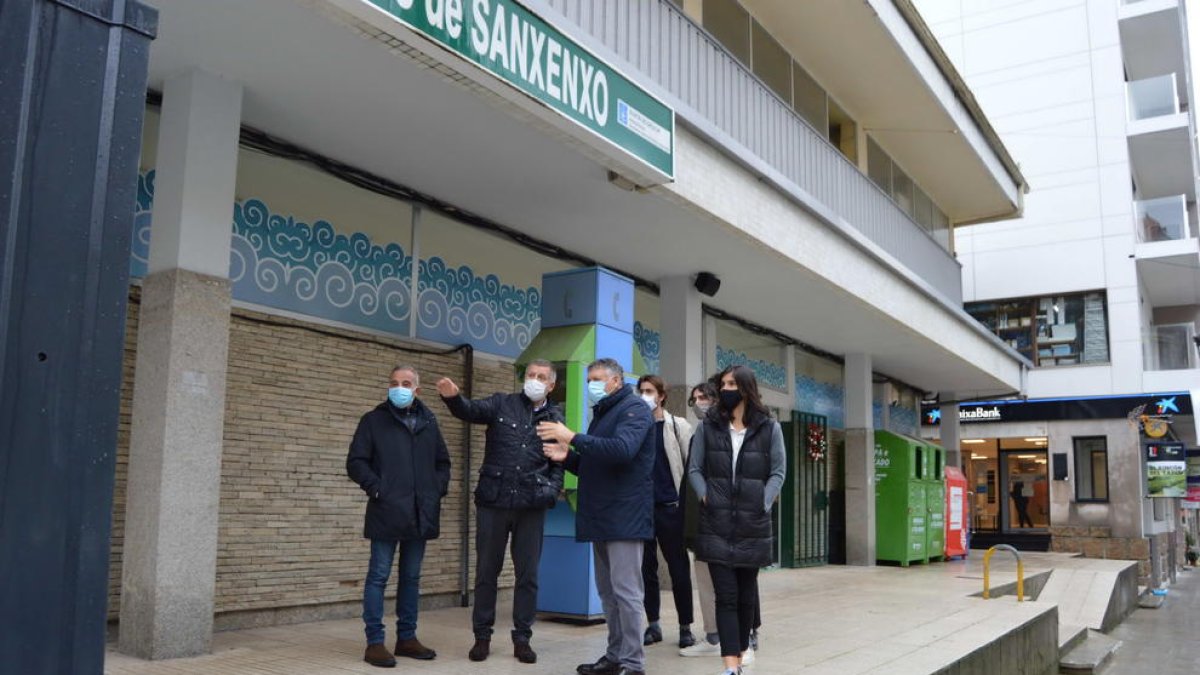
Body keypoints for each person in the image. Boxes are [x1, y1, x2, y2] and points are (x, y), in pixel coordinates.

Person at [435, 360, 565, 664]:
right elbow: (470, 411)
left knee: (528, 576)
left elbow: (558, 463)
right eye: (530, 375)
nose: (534, 380)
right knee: (486, 573)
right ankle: (482, 636)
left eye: (541, 377)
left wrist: (549, 492)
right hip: (493, 502)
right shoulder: (501, 403)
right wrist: (453, 398)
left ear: (551, 385)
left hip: (531, 506)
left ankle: (522, 638)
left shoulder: (555, 418)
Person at [539, 358, 655, 675]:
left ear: (616, 381)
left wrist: (572, 437)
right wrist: (569, 458)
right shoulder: (604, 413)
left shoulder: (634, 409)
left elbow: (622, 450)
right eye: (589, 378)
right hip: (602, 515)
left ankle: (633, 663)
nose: (591, 384)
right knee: (608, 594)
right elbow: (599, 462)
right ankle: (615, 655)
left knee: (627, 593)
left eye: (597, 378)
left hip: (625, 517)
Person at [346, 365, 451, 669]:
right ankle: (375, 642)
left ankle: (407, 638)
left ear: (417, 389)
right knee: (378, 576)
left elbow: (442, 462)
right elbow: (355, 462)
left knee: (412, 578)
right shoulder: (373, 421)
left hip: (421, 513)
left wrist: (435, 490)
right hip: (386, 511)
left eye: (406, 383)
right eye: (394, 383)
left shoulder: (430, 422)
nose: (399, 387)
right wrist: (379, 489)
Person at [687, 365, 785, 675]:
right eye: (723, 383)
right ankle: (731, 666)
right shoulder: (708, 427)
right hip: (715, 523)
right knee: (725, 597)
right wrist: (706, 496)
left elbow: (778, 472)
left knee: (745, 597)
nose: (726, 388)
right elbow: (694, 469)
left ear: (745, 388)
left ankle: (742, 653)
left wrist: (763, 501)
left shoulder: (769, 428)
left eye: (731, 384)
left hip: (752, 524)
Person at [635, 375, 695, 649]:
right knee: (646, 569)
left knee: (679, 569)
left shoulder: (677, 425)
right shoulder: (635, 426)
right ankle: (653, 625)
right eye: (641, 391)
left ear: (661, 395)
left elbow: (692, 467)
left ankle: (685, 627)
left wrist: (689, 508)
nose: (644, 395)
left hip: (671, 509)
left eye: (649, 391)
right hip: (642, 509)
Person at [679, 381, 721, 658]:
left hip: (725, 520)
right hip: (700, 522)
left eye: (704, 397)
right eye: (695, 399)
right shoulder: (698, 433)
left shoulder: (730, 431)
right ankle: (713, 635)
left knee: (733, 581)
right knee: (705, 579)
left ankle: (745, 635)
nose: (700, 403)